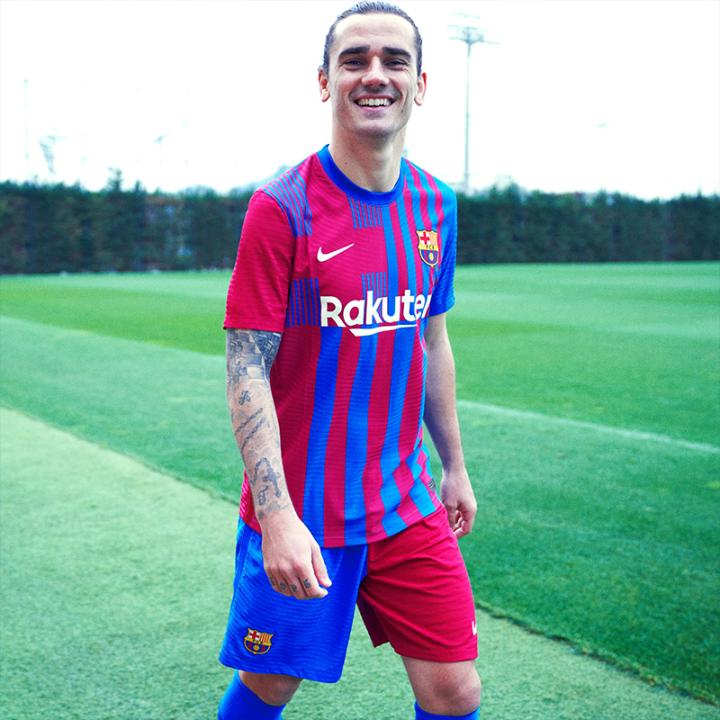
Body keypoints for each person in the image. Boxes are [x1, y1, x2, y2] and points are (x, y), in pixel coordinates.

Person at [218, 2, 482, 718]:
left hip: (404, 501)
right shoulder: (282, 207)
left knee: (455, 687)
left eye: (395, 61)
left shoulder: (436, 205)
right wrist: (276, 516)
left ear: (419, 84)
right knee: (270, 682)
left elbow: (431, 339)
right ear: (324, 81)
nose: (375, 75)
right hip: (304, 507)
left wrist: (454, 465)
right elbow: (246, 366)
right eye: (354, 60)